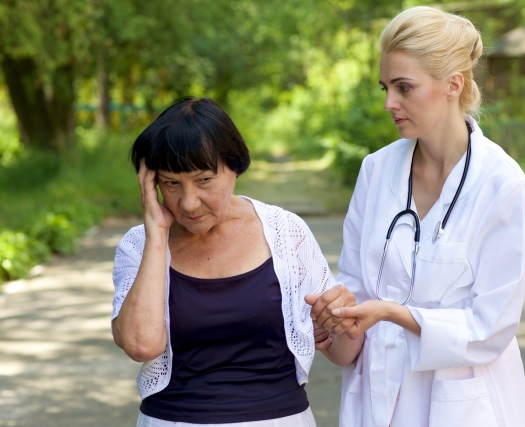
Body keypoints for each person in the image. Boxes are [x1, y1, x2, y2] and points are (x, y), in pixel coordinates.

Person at [306, 6, 525, 427]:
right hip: (375, 399)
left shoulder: (501, 185)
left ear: (453, 84)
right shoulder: (375, 171)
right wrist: (335, 319)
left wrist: (392, 313)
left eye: (404, 87)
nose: (389, 103)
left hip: (463, 404)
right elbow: (355, 292)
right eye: (385, 87)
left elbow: (490, 329)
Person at [111, 97, 359, 427]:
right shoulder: (138, 244)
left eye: (204, 180)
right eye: (171, 183)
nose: (188, 202)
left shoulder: (286, 232)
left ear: (235, 167)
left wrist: (345, 316)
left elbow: (343, 352)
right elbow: (142, 345)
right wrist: (156, 233)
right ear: (152, 183)